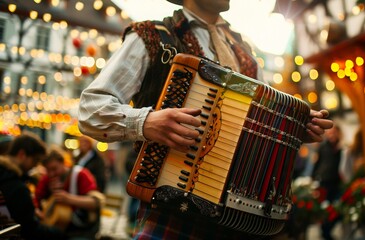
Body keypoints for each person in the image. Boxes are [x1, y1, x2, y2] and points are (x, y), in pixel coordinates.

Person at [78, 0, 334, 239]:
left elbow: (259, 118)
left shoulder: (243, 50)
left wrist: (293, 125)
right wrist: (147, 122)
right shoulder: (151, 35)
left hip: (240, 218)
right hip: (172, 212)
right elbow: (91, 110)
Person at [0, 131, 66, 240]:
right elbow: (30, 230)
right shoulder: (17, 186)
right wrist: (61, 234)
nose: (35, 166)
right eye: (35, 160)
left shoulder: (5, 175)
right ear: (22, 154)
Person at [35, 145, 105, 240]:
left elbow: (96, 202)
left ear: (63, 162)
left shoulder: (80, 174)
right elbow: (36, 198)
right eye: (48, 170)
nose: (51, 174)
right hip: (57, 229)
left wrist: (68, 199)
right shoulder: (47, 178)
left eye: (54, 169)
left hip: (80, 231)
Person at [311, 124, 343, 240]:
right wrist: (313, 178)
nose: (331, 134)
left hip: (337, 183)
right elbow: (316, 163)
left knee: (337, 210)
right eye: (330, 132)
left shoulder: (341, 148)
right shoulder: (323, 147)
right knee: (324, 210)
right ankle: (325, 233)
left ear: (338, 133)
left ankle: (327, 231)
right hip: (324, 182)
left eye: (334, 132)